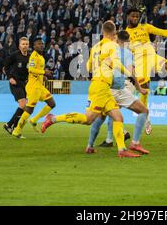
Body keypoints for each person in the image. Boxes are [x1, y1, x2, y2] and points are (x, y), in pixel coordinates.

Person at [40, 20, 140, 158]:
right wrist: (131, 75)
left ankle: (122, 150)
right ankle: (53, 119)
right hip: (101, 87)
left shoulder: (96, 47)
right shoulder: (112, 45)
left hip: (100, 85)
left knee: (118, 117)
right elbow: (116, 63)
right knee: (88, 120)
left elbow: (87, 67)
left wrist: (101, 67)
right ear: (114, 32)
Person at [125, 7, 167, 135]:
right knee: (144, 95)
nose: (135, 18)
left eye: (137, 16)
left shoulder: (145, 27)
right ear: (128, 17)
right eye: (133, 16)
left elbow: (162, 32)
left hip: (154, 58)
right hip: (141, 66)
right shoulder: (125, 33)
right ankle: (147, 121)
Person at [87, 30, 150, 154]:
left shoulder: (105, 49)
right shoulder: (127, 53)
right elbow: (131, 73)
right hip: (118, 90)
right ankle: (135, 143)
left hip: (103, 87)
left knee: (99, 117)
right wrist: (139, 88)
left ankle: (90, 145)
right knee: (143, 111)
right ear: (127, 41)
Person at [11, 36, 56, 138]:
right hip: (33, 87)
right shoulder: (33, 57)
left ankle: (34, 120)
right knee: (29, 109)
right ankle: (17, 130)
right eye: (38, 44)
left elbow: (36, 71)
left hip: (39, 86)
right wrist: (44, 72)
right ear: (34, 46)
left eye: (42, 44)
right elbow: (31, 69)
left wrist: (43, 76)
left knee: (52, 103)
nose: (41, 45)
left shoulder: (41, 57)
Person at [2, 37, 30, 134]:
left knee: (25, 107)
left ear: (28, 45)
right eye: (23, 44)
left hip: (24, 84)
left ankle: (10, 125)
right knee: (22, 104)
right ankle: (11, 126)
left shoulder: (30, 57)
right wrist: (10, 77)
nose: (25, 46)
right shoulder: (14, 55)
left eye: (26, 44)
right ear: (19, 45)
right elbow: (5, 66)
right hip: (15, 83)